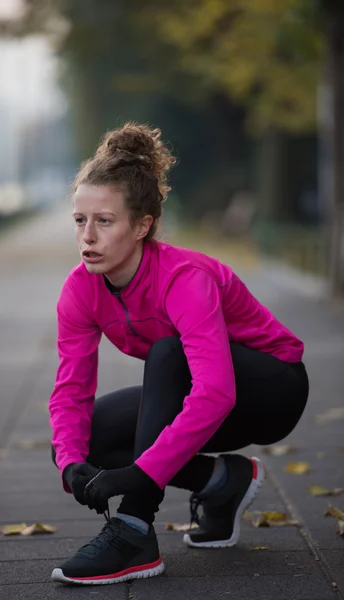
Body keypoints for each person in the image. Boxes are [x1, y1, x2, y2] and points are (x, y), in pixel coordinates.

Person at [49, 122, 309, 586]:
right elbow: (70, 390)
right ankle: (222, 483)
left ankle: (133, 532)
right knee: (84, 438)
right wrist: (70, 465)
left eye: (104, 221)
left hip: (272, 388)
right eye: (79, 220)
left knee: (167, 355)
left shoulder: (184, 278)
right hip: (199, 387)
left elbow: (215, 392)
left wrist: (138, 476)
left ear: (142, 225)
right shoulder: (80, 291)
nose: (87, 236)